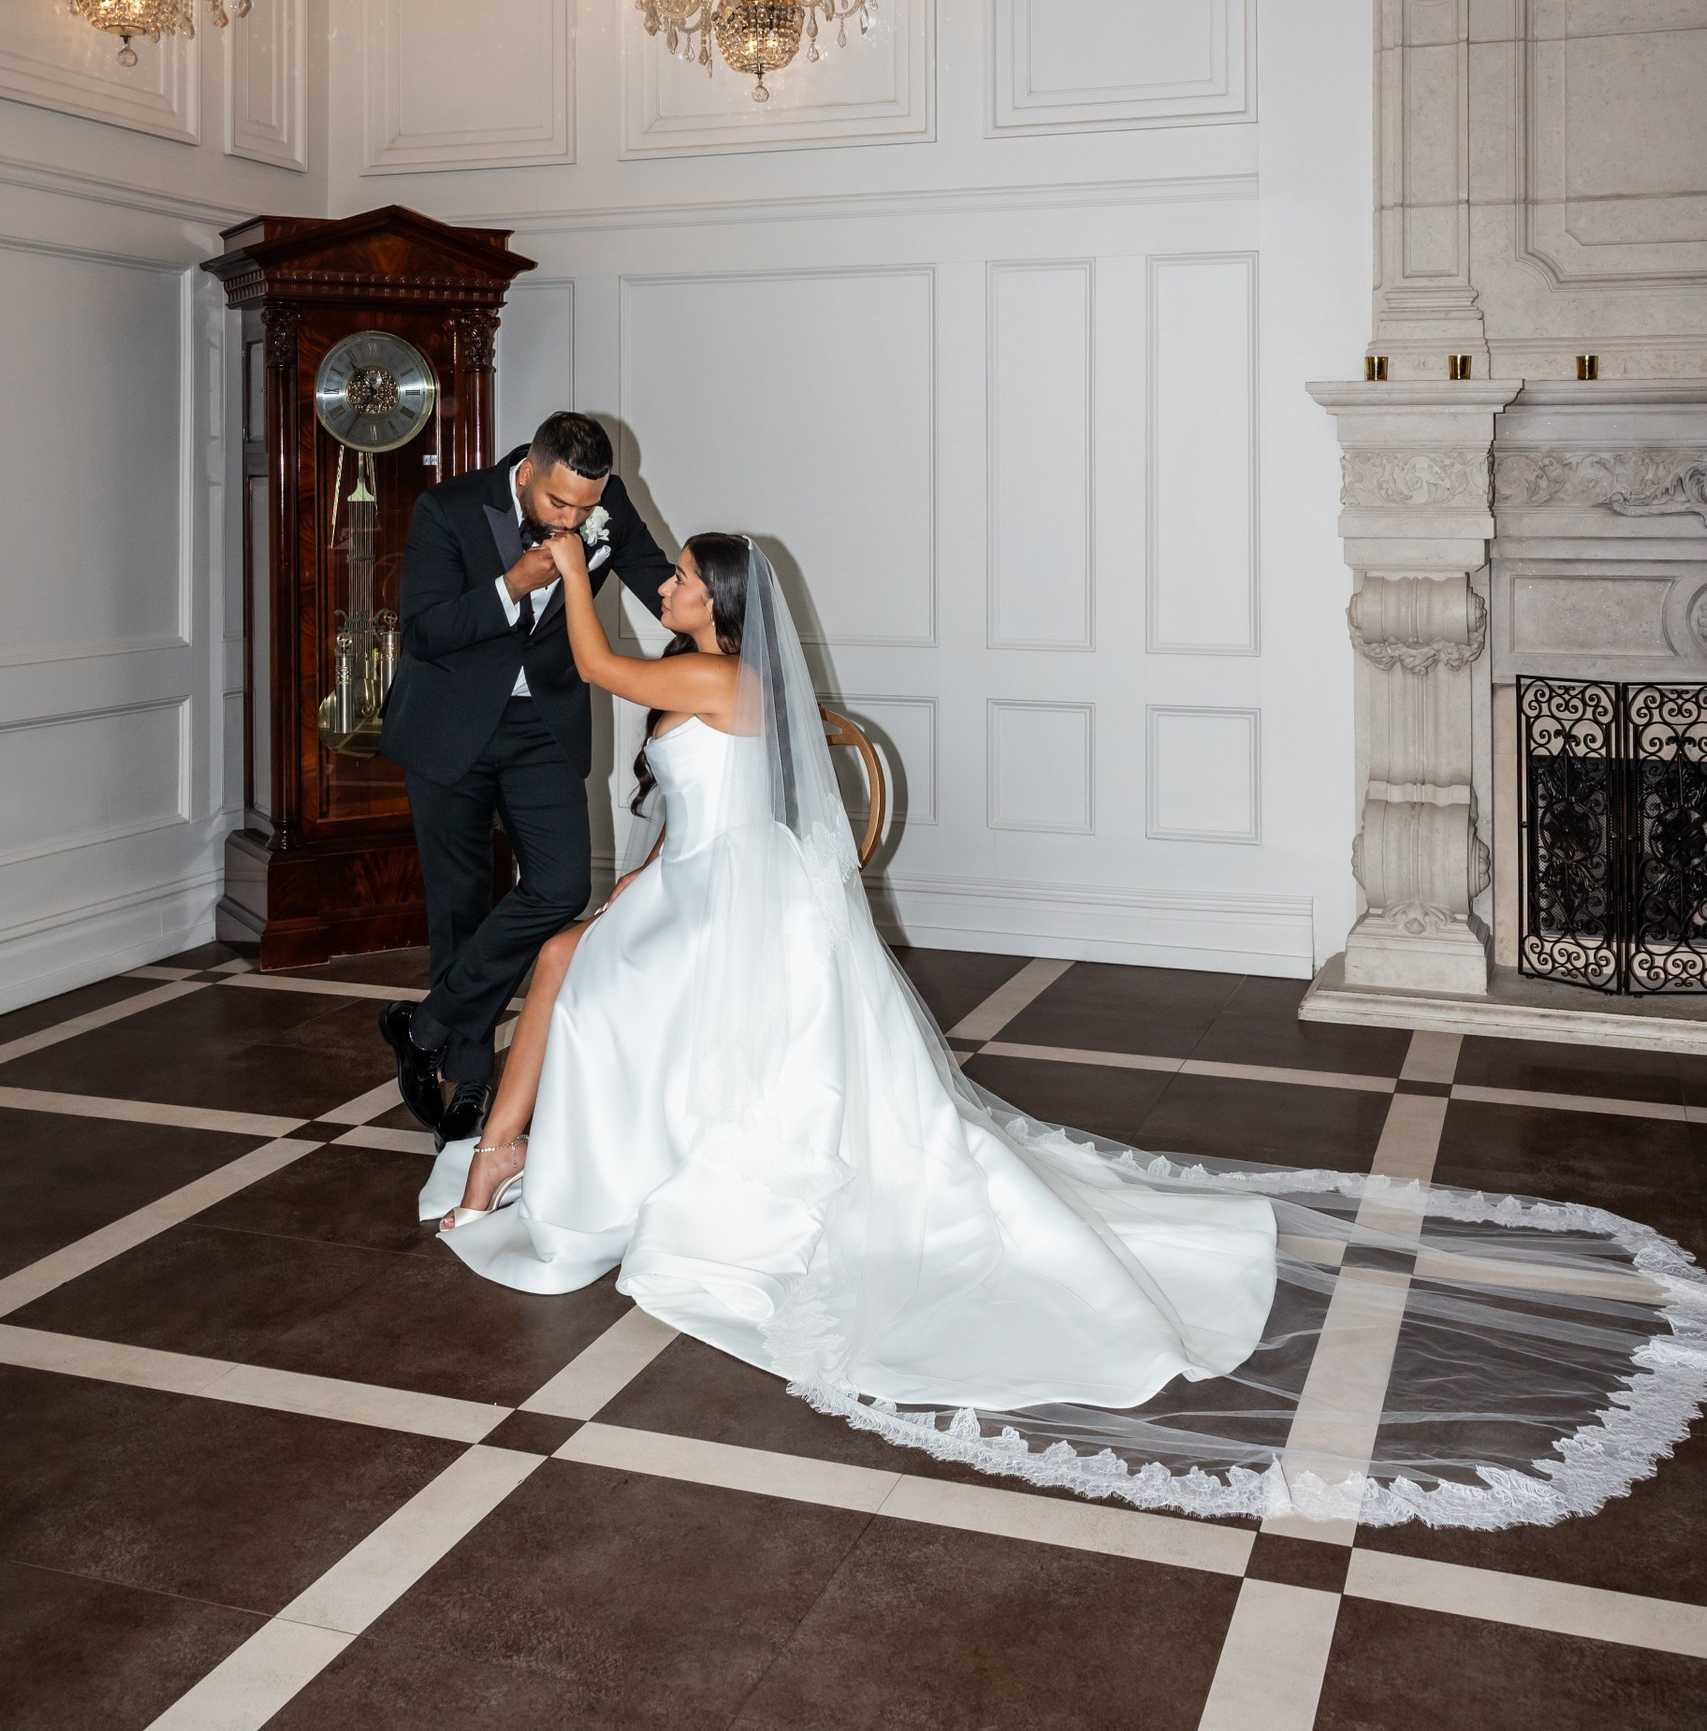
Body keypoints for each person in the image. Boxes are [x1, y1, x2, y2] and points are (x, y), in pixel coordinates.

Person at [418, 532, 1707, 1531]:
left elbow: (598, 669)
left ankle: (518, 1155)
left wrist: (572, 566)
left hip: (728, 908)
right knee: (576, 959)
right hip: (698, 888)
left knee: (579, 974)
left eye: (687, 577)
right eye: (674, 576)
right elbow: (699, 812)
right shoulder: (701, 673)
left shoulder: (709, 673)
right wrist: (641, 883)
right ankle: (529, 1150)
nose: (670, 584)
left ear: (724, 603)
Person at [375, 410, 671, 1145]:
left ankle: (427, 1026)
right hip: (448, 727)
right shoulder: (448, 508)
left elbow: (661, 585)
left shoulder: (605, 504)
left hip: (544, 725)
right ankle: (471, 1080)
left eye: (584, 507)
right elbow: (424, 632)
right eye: (557, 503)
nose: (571, 519)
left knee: (562, 886)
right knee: (460, 905)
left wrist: (734, 641)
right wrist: (511, 585)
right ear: (529, 469)